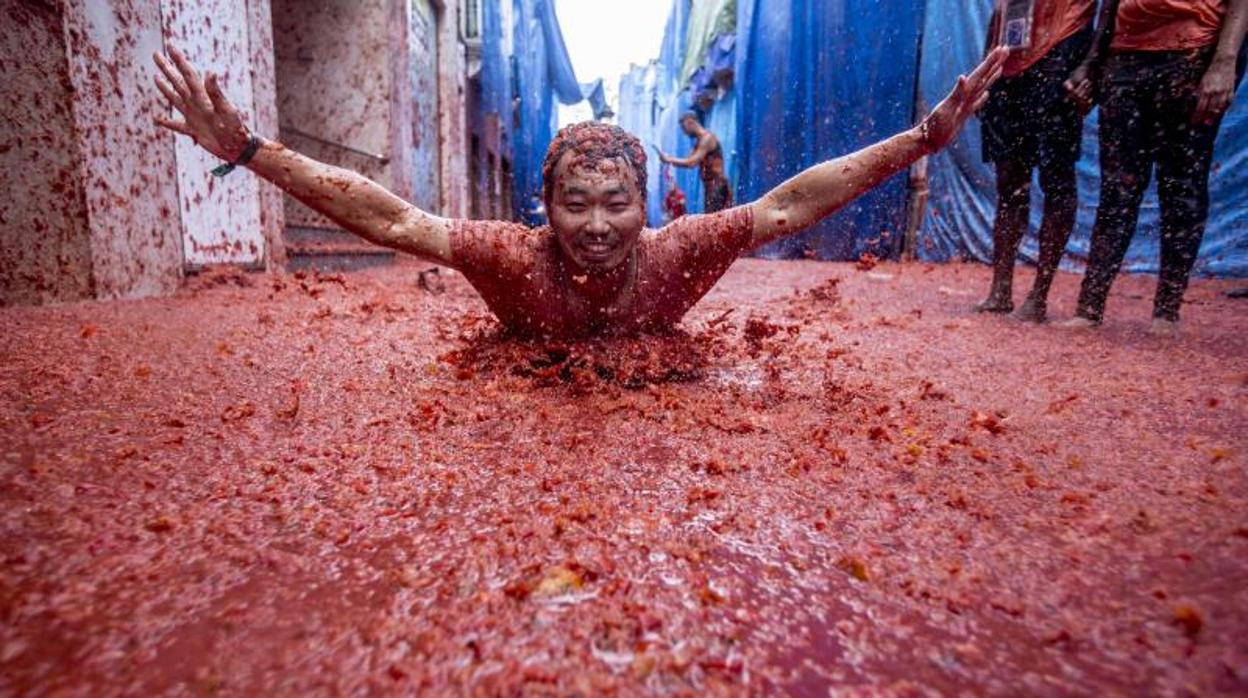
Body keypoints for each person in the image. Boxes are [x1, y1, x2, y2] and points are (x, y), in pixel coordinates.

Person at [151, 45, 1007, 339]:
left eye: (615, 203)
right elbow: (388, 215)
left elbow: (790, 205)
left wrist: (922, 140)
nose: (596, 227)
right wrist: (254, 151)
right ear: (544, 206)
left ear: (645, 204)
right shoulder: (506, 259)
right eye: (575, 203)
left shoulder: (682, 251)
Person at [1061, 0, 1247, 334]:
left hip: (1195, 49)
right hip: (1125, 54)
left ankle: (1167, 312)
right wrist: (1091, 61)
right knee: (1117, 186)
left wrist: (1225, 60)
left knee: (1183, 184)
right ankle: (1089, 308)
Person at [974, 0, 1096, 321]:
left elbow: (1108, 10)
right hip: (1009, 59)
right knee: (1009, 182)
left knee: (1057, 179)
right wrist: (986, 69)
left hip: (1061, 48)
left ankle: (1038, 297)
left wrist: (1090, 65)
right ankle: (1000, 291)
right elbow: (1001, 9)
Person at [658, 113, 733, 214]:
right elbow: (688, 161)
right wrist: (669, 158)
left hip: (718, 186)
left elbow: (691, 162)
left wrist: (669, 160)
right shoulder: (699, 142)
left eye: (684, 128)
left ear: (690, 122)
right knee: (714, 219)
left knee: (716, 220)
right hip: (711, 186)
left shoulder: (708, 139)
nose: (685, 133)